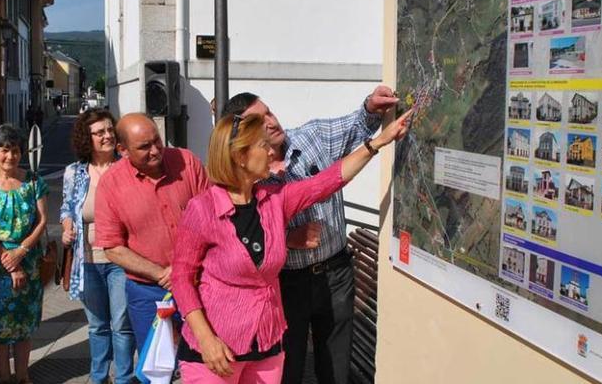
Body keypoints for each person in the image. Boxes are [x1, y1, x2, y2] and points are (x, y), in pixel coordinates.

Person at [171, 110, 412, 382]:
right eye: (263, 145)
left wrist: (378, 143)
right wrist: (205, 339)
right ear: (240, 157)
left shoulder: (274, 200)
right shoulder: (202, 210)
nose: (272, 152)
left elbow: (327, 181)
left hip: (266, 345)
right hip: (217, 350)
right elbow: (181, 278)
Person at [222, 86, 399, 384]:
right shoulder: (244, 177)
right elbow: (238, 234)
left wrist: (371, 107)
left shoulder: (313, 136)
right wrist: (286, 237)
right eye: (259, 121)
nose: (272, 122)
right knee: (287, 366)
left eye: (269, 112)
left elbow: (357, 125)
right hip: (286, 284)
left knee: (335, 363)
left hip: (336, 274)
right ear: (243, 135)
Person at [93, 113, 210, 352]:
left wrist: (184, 268)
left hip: (200, 281)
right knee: (157, 367)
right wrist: (161, 274)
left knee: (205, 360)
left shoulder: (187, 162)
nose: (156, 150)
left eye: (158, 141)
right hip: (149, 292)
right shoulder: (111, 184)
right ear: (122, 150)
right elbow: (113, 247)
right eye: (144, 147)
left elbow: (212, 220)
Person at [60, 109, 136, 384]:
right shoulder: (75, 172)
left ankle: (124, 378)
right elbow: (67, 207)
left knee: (121, 325)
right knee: (97, 326)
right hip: (87, 260)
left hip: (121, 259)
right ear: (87, 138)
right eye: (99, 132)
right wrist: (67, 225)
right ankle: (98, 377)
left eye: (109, 130)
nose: (106, 136)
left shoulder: (127, 168)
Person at [0, 124, 48, 384]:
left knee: (24, 323)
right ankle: (4, 376)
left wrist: (23, 251)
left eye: (15, 150)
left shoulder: (33, 183)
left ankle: (23, 375)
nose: (10, 156)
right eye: (4, 150)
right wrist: (11, 263)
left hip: (28, 261)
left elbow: (42, 221)